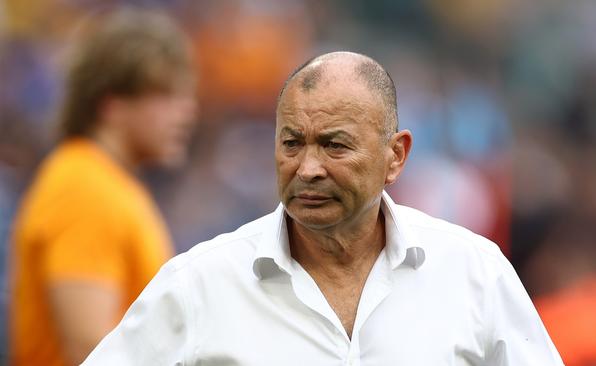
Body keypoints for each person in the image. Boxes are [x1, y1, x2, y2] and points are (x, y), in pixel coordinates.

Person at [82, 51, 562, 365]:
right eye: (292, 143)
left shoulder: (473, 273)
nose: (307, 168)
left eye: (334, 145)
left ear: (395, 157)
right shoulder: (199, 284)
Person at [8, 7, 196, 366]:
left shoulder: (109, 183)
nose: (187, 112)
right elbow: (90, 350)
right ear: (111, 104)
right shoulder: (84, 188)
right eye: (167, 95)